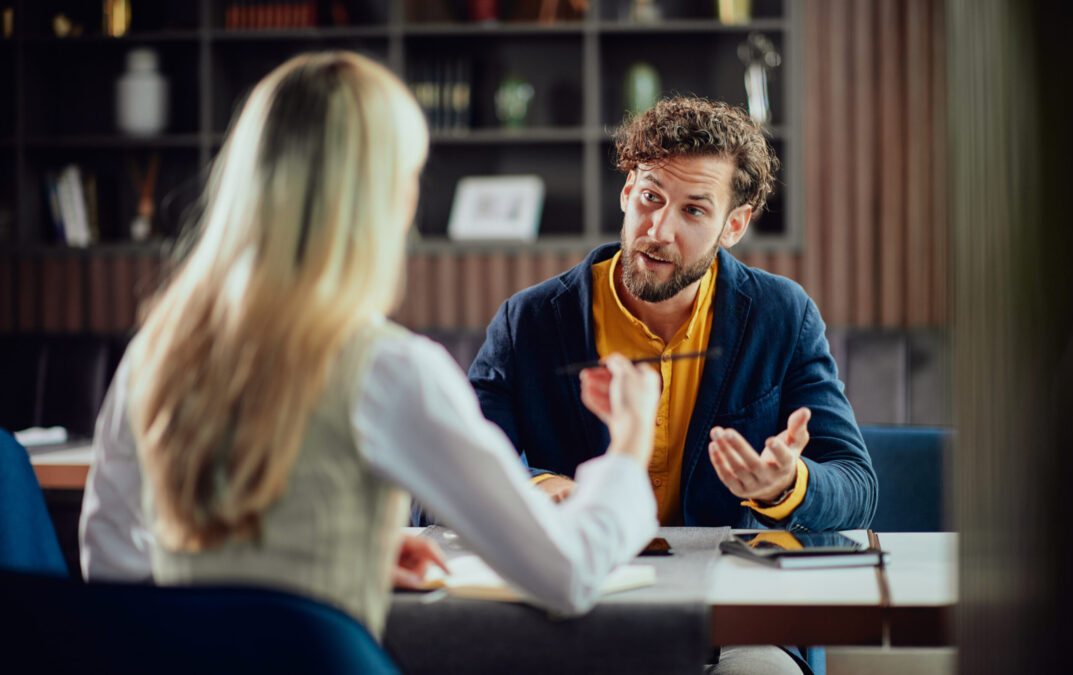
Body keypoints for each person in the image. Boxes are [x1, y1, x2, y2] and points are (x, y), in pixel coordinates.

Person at [78, 51, 662, 643]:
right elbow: (568, 573)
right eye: (410, 174)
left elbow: (114, 570)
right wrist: (629, 445)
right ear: (382, 198)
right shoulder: (388, 370)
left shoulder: (157, 351)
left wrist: (345, 556)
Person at [467, 96, 878, 673]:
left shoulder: (782, 314)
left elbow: (857, 485)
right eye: (650, 198)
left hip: (734, 619)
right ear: (626, 191)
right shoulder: (530, 321)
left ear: (733, 225)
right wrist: (543, 489)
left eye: (693, 211)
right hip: (576, 610)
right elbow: (444, 480)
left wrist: (786, 484)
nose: (657, 231)